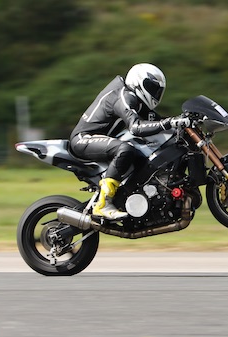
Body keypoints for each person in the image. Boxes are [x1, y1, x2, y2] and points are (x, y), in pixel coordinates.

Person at [70, 63, 189, 220]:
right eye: (152, 88)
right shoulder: (124, 96)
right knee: (125, 149)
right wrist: (169, 122)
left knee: (143, 157)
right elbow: (136, 127)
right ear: (138, 82)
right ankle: (103, 204)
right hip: (84, 138)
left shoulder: (139, 103)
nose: (155, 93)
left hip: (104, 140)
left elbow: (156, 122)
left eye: (158, 90)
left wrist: (180, 121)